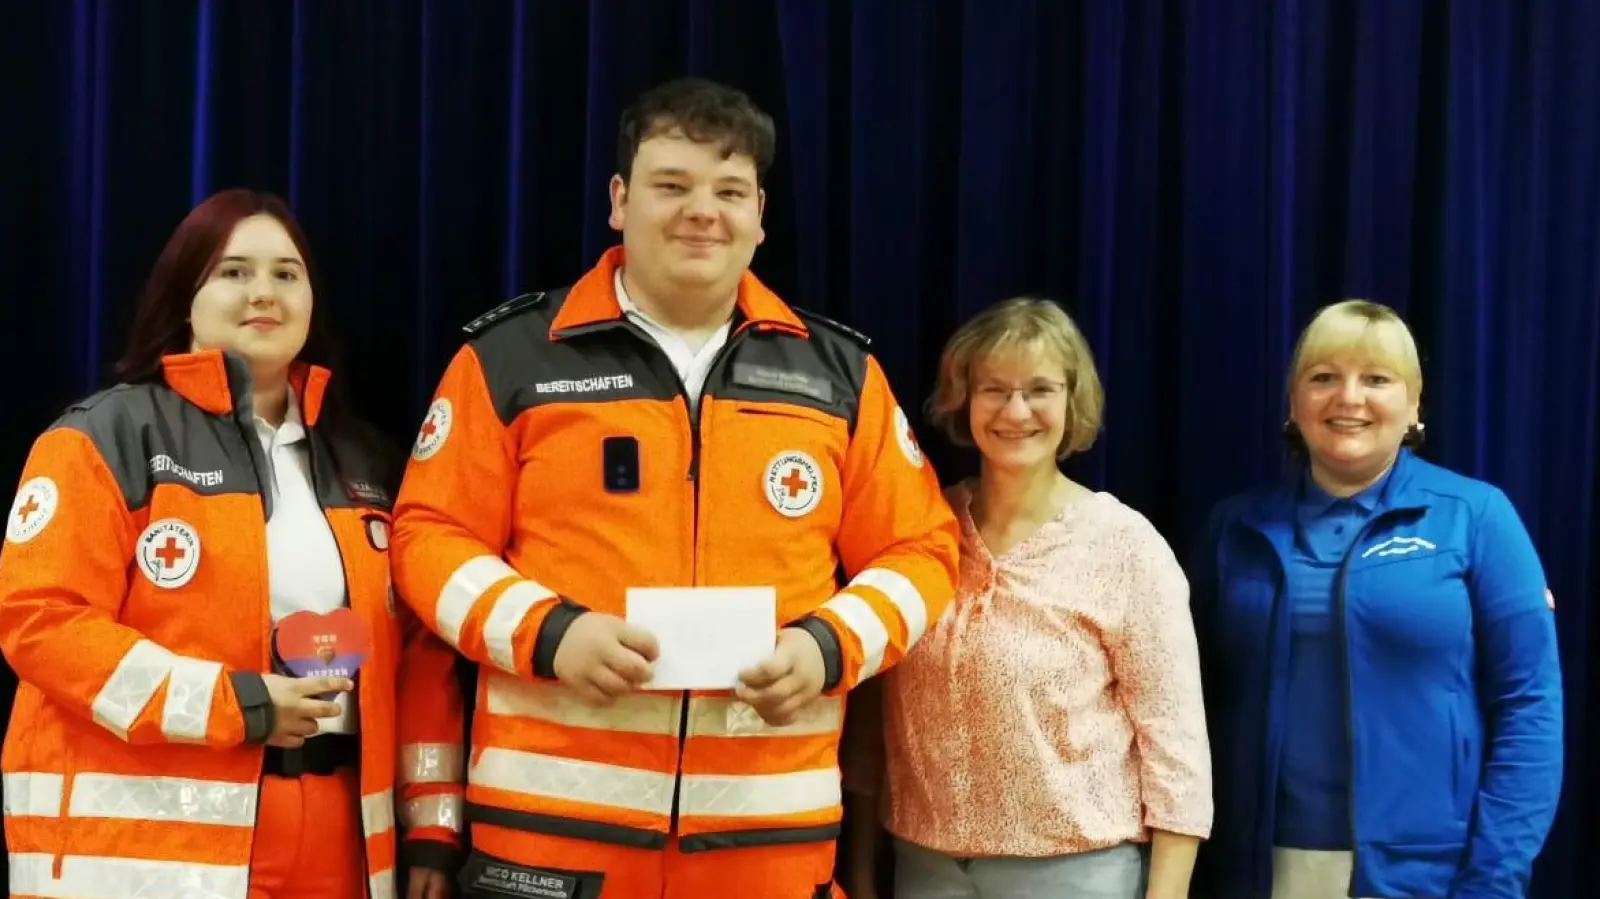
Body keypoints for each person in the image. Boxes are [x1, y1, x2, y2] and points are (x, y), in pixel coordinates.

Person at [389, 76, 960, 899]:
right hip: (550, 844)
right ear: (619, 200)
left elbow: (922, 550)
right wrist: (552, 635)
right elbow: (427, 539)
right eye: (672, 185)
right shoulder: (511, 359)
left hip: (767, 843)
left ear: (760, 215)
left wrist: (826, 646)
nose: (703, 211)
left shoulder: (839, 376)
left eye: (730, 191)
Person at [0, 189, 467, 899]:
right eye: (233, 271)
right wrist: (237, 702)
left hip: (340, 839)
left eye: (287, 273)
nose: (263, 293)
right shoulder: (105, 437)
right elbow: (44, 623)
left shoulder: (368, 462)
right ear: (184, 297)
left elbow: (417, 658)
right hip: (147, 843)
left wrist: (430, 830)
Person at [1188, 300, 1564, 899]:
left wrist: (1494, 879)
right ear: (1294, 401)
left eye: (1377, 379)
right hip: (1254, 869)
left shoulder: (1476, 516)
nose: (1349, 398)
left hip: (1430, 875)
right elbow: (1185, 706)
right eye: (1323, 377)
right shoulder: (1236, 527)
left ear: (1413, 405)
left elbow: (1531, 710)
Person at [840, 298, 1212, 899]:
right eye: (995, 389)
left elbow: (1177, 750)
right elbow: (871, 728)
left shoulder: (1126, 548)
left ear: (1072, 400)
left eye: (1040, 389)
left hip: (1078, 874)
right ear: (965, 398)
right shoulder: (922, 530)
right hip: (923, 869)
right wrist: (859, 873)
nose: (1016, 411)